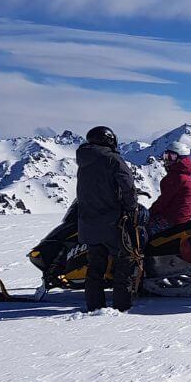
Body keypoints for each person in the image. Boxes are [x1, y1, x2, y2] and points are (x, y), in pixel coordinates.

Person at [76, 125, 140, 313]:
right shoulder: (112, 159)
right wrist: (131, 207)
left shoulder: (83, 160)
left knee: (95, 267)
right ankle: (122, 307)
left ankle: (95, 307)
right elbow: (128, 186)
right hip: (112, 222)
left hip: (87, 223)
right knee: (124, 261)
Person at [147, 141, 191, 236]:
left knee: (143, 230)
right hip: (179, 216)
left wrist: (149, 213)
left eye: (172, 156)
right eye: (166, 156)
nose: (167, 159)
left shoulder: (178, 177)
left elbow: (163, 201)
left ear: (180, 159)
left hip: (174, 219)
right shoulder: (182, 175)